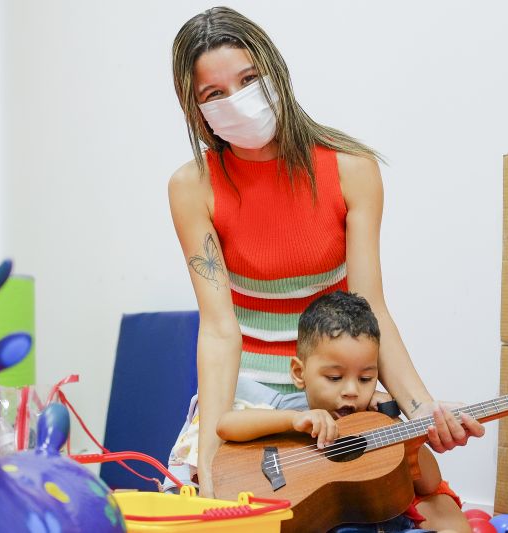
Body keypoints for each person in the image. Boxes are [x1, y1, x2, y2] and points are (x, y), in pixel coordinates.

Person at [167, 6, 484, 527]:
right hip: (249, 400)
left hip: (338, 384)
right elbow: (220, 330)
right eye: (213, 94)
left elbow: (369, 307)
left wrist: (419, 406)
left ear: (276, 73)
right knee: (206, 508)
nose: (237, 101)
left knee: (418, 497)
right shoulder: (191, 186)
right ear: (195, 109)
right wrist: (207, 455)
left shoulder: (352, 169)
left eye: (249, 80)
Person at [217, 291, 466, 533]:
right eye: (335, 377)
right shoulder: (291, 412)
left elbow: (430, 483)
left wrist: (398, 428)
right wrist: (293, 420)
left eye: (366, 378)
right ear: (298, 373)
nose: (351, 391)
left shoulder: (379, 424)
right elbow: (226, 425)